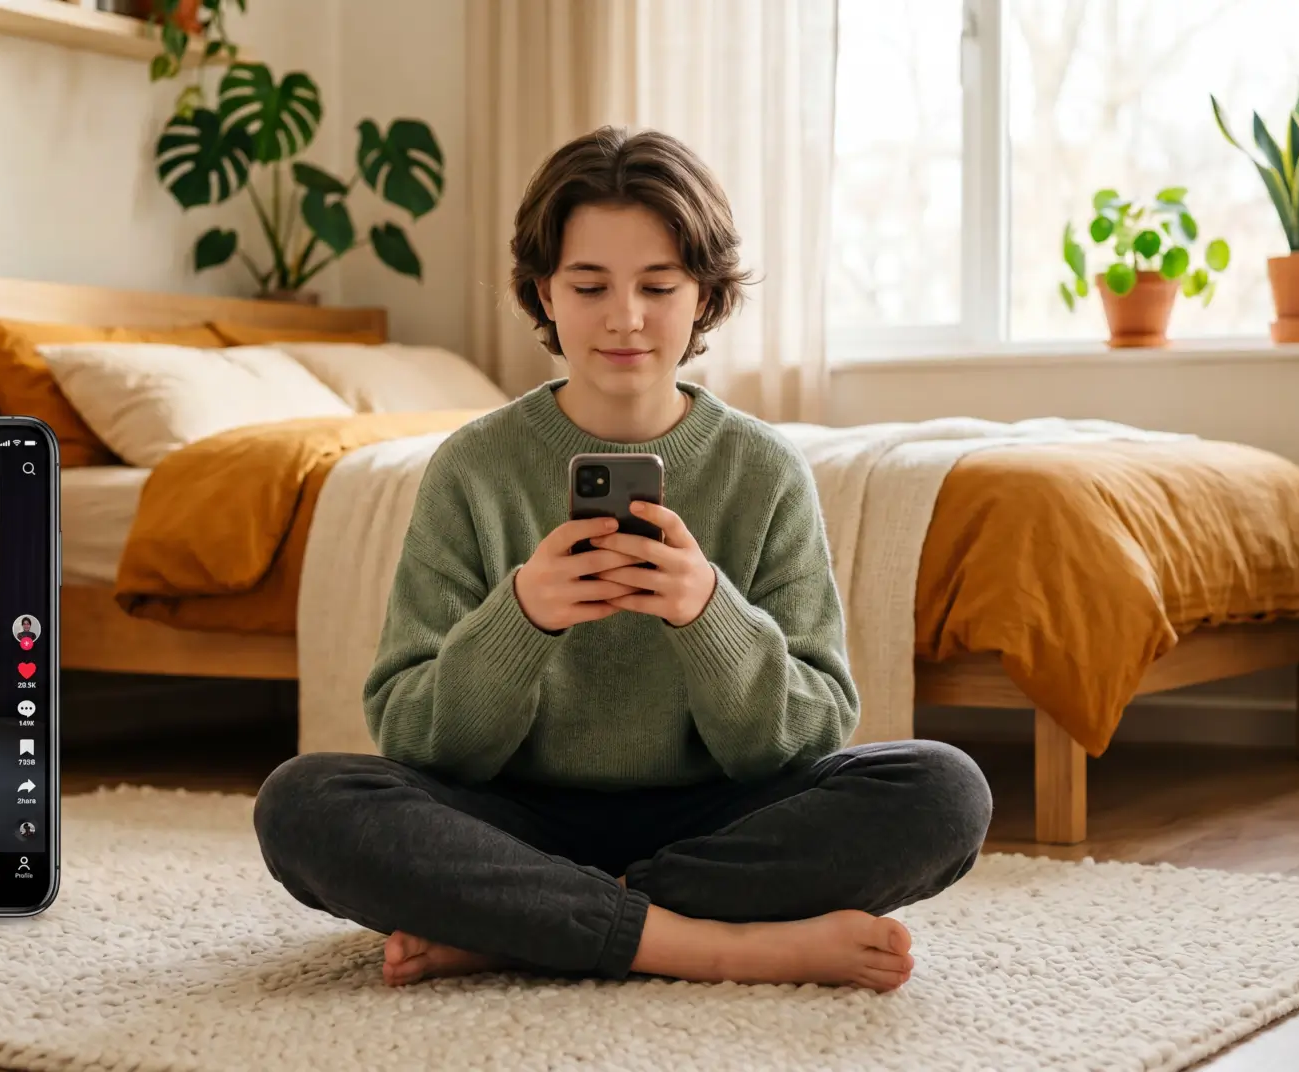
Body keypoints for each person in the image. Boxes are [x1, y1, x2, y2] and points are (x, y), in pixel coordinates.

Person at [253, 127, 993, 992]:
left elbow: (812, 732)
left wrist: (708, 612)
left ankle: (524, 929)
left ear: (705, 296)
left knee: (944, 790)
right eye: (589, 284)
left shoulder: (764, 471)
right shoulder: (473, 468)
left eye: (658, 284)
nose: (625, 317)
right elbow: (415, 736)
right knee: (303, 804)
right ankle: (712, 946)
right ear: (545, 293)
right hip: (515, 818)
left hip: (716, 819)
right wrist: (520, 617)